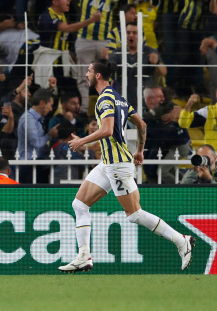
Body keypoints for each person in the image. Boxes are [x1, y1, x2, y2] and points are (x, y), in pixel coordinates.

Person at [58, 58, 194, 273]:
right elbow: (142, 124)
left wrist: (81, 141)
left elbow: (108, 129)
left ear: (98, 75)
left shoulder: (104, 101)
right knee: (79, 205)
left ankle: (181, 240)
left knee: (135, 214)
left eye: (89, 71)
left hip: (118, 165)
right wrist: (139, 149)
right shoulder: (119, 99)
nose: (86, 74)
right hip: (109, 163)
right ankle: (83, 256)